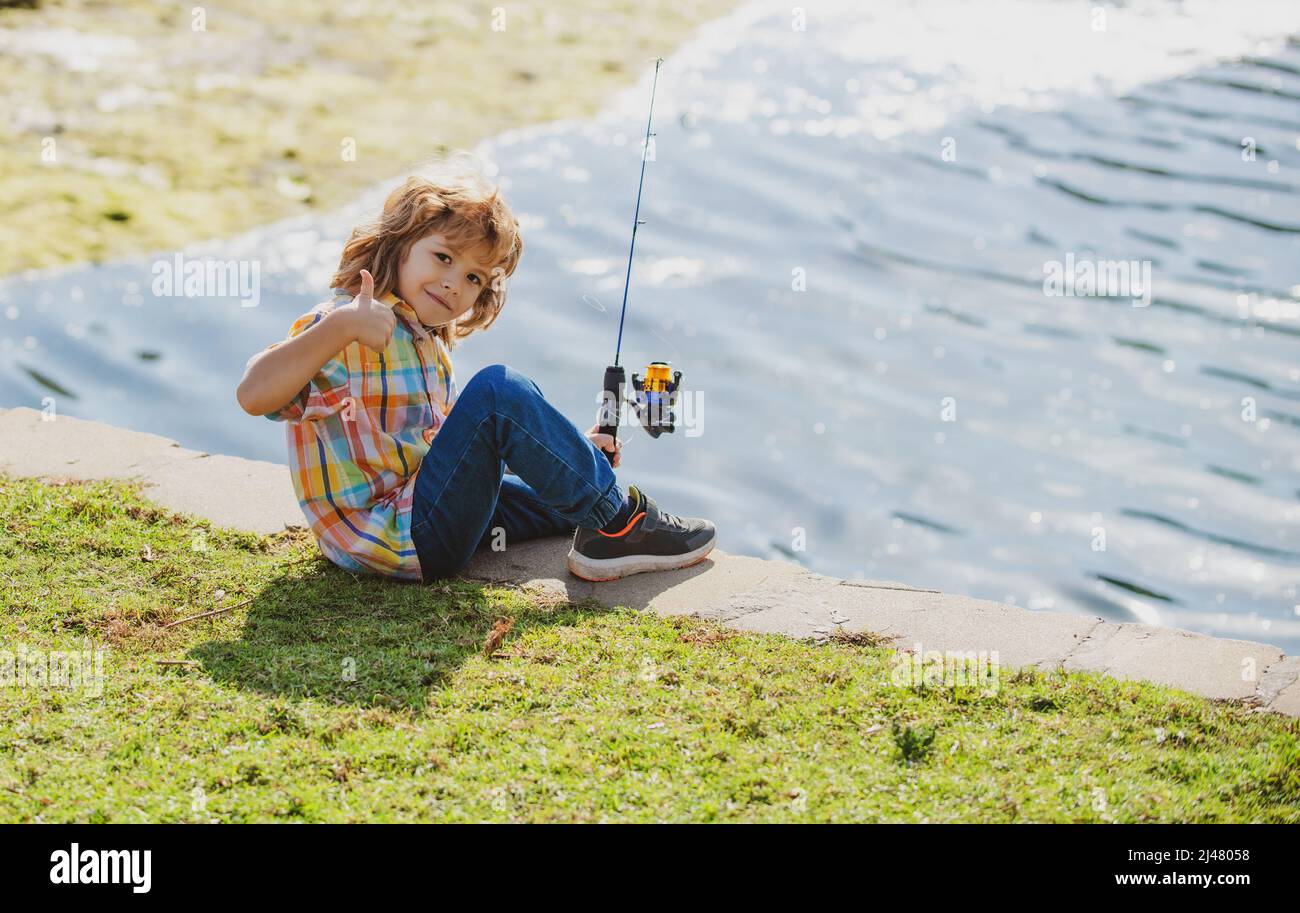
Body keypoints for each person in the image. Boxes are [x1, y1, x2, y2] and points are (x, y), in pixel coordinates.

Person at [236, 166, 715, 584]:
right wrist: (339, 328)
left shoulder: (425, 341)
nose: (453, 284)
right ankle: (621, 524)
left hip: (422, 509)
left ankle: (592, 498)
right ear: (399, 243)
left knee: (564, 482)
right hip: (397, 537)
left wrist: (570, 450)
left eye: (474, 279)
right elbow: (253, 394)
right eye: (443, 258)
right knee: (497, 390)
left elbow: (447, 452)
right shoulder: (343, 324)